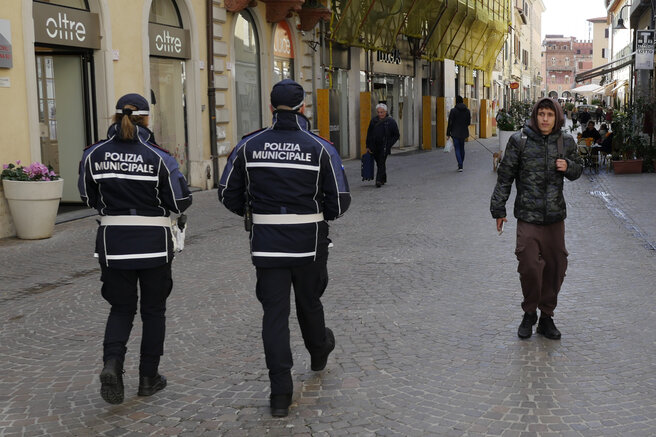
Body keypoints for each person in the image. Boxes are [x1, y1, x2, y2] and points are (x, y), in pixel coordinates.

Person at [218, 79, 351, 418]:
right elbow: (340, 200)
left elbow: (227, 193)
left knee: (274, 316)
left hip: (267, 243)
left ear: (270, 107)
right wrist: (319, 214)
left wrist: (255, 213)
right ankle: (319, 350)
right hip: (308, 241)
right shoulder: (320, 147)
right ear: (304, 108)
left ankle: (280, 393)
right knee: (309, 302)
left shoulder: (249, 145)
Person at [78, 93, 192, 404]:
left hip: (113, 243)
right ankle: (148, 378)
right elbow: (181, 200)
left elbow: (87, 198)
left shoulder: (93, 154)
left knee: (121, 308)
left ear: (115, 117)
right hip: (154, 244)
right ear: (146, 118)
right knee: (153, 311)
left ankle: (112, 364)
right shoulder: (159, 157)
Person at [490, 97, 582, 340]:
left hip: (554, 218)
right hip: (528, 217)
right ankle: (529, 312)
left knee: (556, 267)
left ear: (556, 117)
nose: (545, 119)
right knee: (529, 266)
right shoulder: (519, 140)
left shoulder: (565, 141)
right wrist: (498, 210)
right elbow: (505, 176)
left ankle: (546, 317)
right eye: (541, 114)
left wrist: (568, 166)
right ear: (535, 116)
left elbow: (578, 170)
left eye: (549, 115)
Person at [366, 103, 400, 187]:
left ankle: (378, 180)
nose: (380, 114)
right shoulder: (373, 121)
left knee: (381, 162)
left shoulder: (391, 121)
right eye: (378, 112)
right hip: (374, 146)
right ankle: (383, 178)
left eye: (382, 112)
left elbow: (396, 135)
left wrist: (389, 144)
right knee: (379, 163)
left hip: (384, 146)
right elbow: (369, 134)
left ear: (386, 112)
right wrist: (368, 146)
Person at [446, 95, 471, 172]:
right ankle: (461, 164)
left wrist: (448, 133)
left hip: (455, 132)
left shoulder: (453, 111)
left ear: (456, 102)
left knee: (457, 148)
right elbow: (468, 122)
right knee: (462, 148)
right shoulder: (467, 111)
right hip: (463, 132)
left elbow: (450, 123)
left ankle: (460, 165)